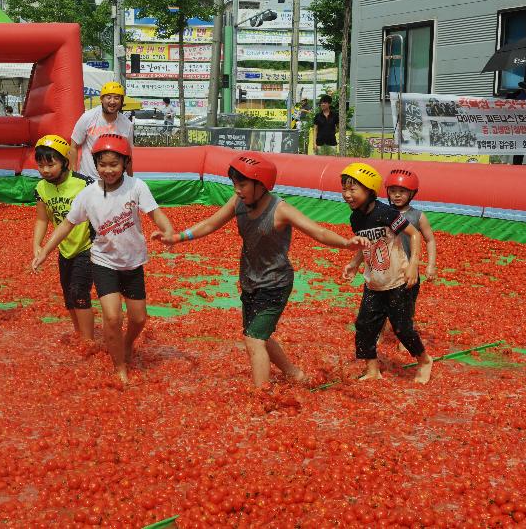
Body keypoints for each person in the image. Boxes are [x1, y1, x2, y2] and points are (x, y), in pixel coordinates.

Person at [154, 152, 369, 388]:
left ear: (261, 184)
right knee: (260, 337)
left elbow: (318, 232)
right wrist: (177, 237)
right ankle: (294, 374)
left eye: (242, 184)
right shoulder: (238, 203)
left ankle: (261, 395)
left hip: (275, 284)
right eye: (235, 184)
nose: (237, 190)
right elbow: (210, 223)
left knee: (253, 339)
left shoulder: (280, 209)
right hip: (249, 281)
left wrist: (346, 243)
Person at [33, 134, 173, 385]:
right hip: (103, 262)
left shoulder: (137, 187)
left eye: (114, 164)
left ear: (125, 164)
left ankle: (126, 343)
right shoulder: (88, 194)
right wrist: (44, 251)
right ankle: (119, 366)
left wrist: (169, 232)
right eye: (103, 164)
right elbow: (66, 225)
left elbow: (156, 213)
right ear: (95, 164)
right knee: (112, 317)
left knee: (139, 318)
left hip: (132, 262)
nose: (108, 170)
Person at [339, 163, 434, 384]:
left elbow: (414, 235)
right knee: (364, 326)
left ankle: (424, 360)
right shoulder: (355, 218)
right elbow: (368, 244)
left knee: (401, 327)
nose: (347, 195)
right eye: (344, 189)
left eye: (353, 189)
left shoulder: (386, 212)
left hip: (397, 280)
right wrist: (354, 263)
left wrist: (413, 265)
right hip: (374, 282)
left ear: (370, 189)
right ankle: (372, 369)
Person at [30, 134, 95, 344]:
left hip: (88, 246)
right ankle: (79, 334)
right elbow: (42, 219)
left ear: (65, 161)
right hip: (64, 248)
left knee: (79, 292)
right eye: (41, 165)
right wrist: (37, 245)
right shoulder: (41, 188)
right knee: (69, 295)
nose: (46, 170)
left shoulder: (84, 184)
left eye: (51, 164)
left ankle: (88, 340)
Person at [69, 82, 134, 179]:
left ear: (121, 101)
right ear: (101, 99)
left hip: (115, 179)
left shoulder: (127, 125)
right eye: (108, 97)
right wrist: (73, 175)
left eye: (117, 98)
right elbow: (73, 146)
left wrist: (130, 179)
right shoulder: (88, 117)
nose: (112, 101)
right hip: (88, 178)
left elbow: (128, 155)